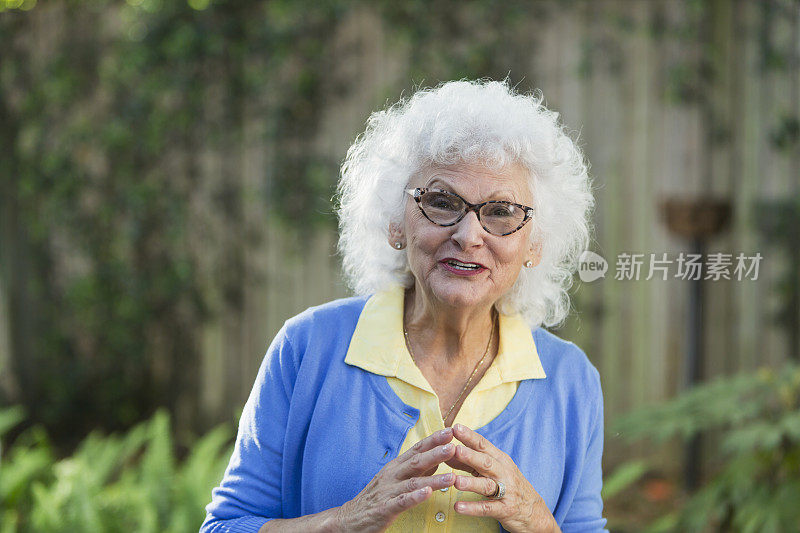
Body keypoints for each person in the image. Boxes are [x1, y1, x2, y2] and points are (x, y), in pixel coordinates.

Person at [201, 79, 606, 533]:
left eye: (501, 211)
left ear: (534, 244)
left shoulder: (572, 381)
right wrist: (345, 520)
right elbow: (225, 526)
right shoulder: (307, 348)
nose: (469, 235)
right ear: (396, 223)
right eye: (441, 202)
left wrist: (538, 521)